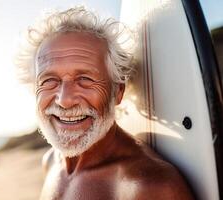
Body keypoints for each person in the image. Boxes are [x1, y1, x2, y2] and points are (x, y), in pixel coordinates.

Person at [18, 6, 194, 200]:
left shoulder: (148, 186)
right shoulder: (50, 161)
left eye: (85, 79)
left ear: (118, 91)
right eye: (49, 80)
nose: (65, 100)